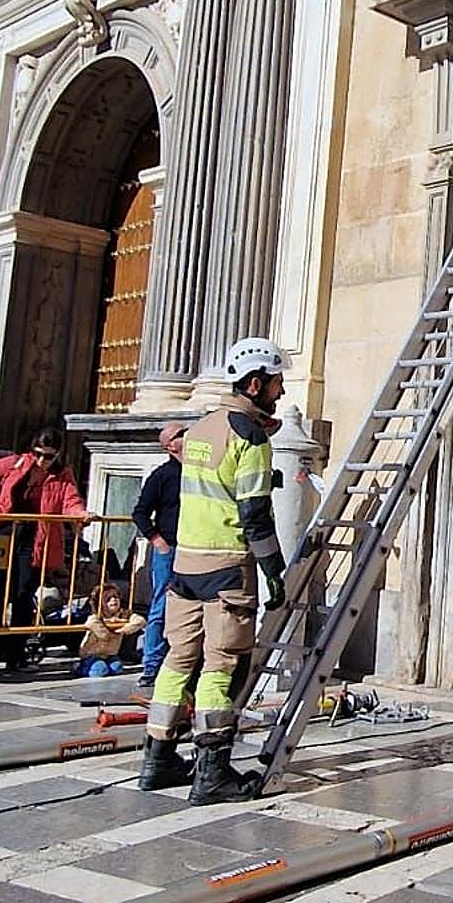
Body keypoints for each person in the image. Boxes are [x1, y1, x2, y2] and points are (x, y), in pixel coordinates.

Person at [139, 337, 288, 804]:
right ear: (257, 382)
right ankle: (212, 773)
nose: (281, 394)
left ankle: (157, 758)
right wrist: (274, 572)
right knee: (223, 668)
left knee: (178, 660)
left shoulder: (200, 429)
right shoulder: (250, 436)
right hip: (227, 567)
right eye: (278, 384)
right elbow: (255, 514)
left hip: (186, 565)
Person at [0, 428, 93, 671]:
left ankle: (15, 654)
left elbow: (70, 501)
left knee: (22, 594)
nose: (42, 461)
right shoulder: (16, 463)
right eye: (38, 453)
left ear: (57, 455)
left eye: (48, 456)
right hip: (5, 533)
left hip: (33, 540)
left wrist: (80, 514)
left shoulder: (62, 475)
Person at [131, 422, 184, 688]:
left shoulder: (198, 473)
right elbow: (140, 512)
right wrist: (157, 540)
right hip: (169, 549)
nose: (186, 438)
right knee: (160, 606)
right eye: (180, 435)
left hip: (193, 549)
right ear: (169, 445)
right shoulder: (162, 476)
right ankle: (151, 665)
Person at [76, 583, 145, 677]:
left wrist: (124, 629)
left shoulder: (123, 615)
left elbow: (140, 621)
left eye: (115, 597)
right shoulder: (96, 617)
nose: (113, 600)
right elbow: (92, 624)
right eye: (108, 599)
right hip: (92, 654)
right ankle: (80, 668)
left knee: (117, 668)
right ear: (100, 603)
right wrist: (107, 630)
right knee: (100, 670)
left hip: (110, 654)